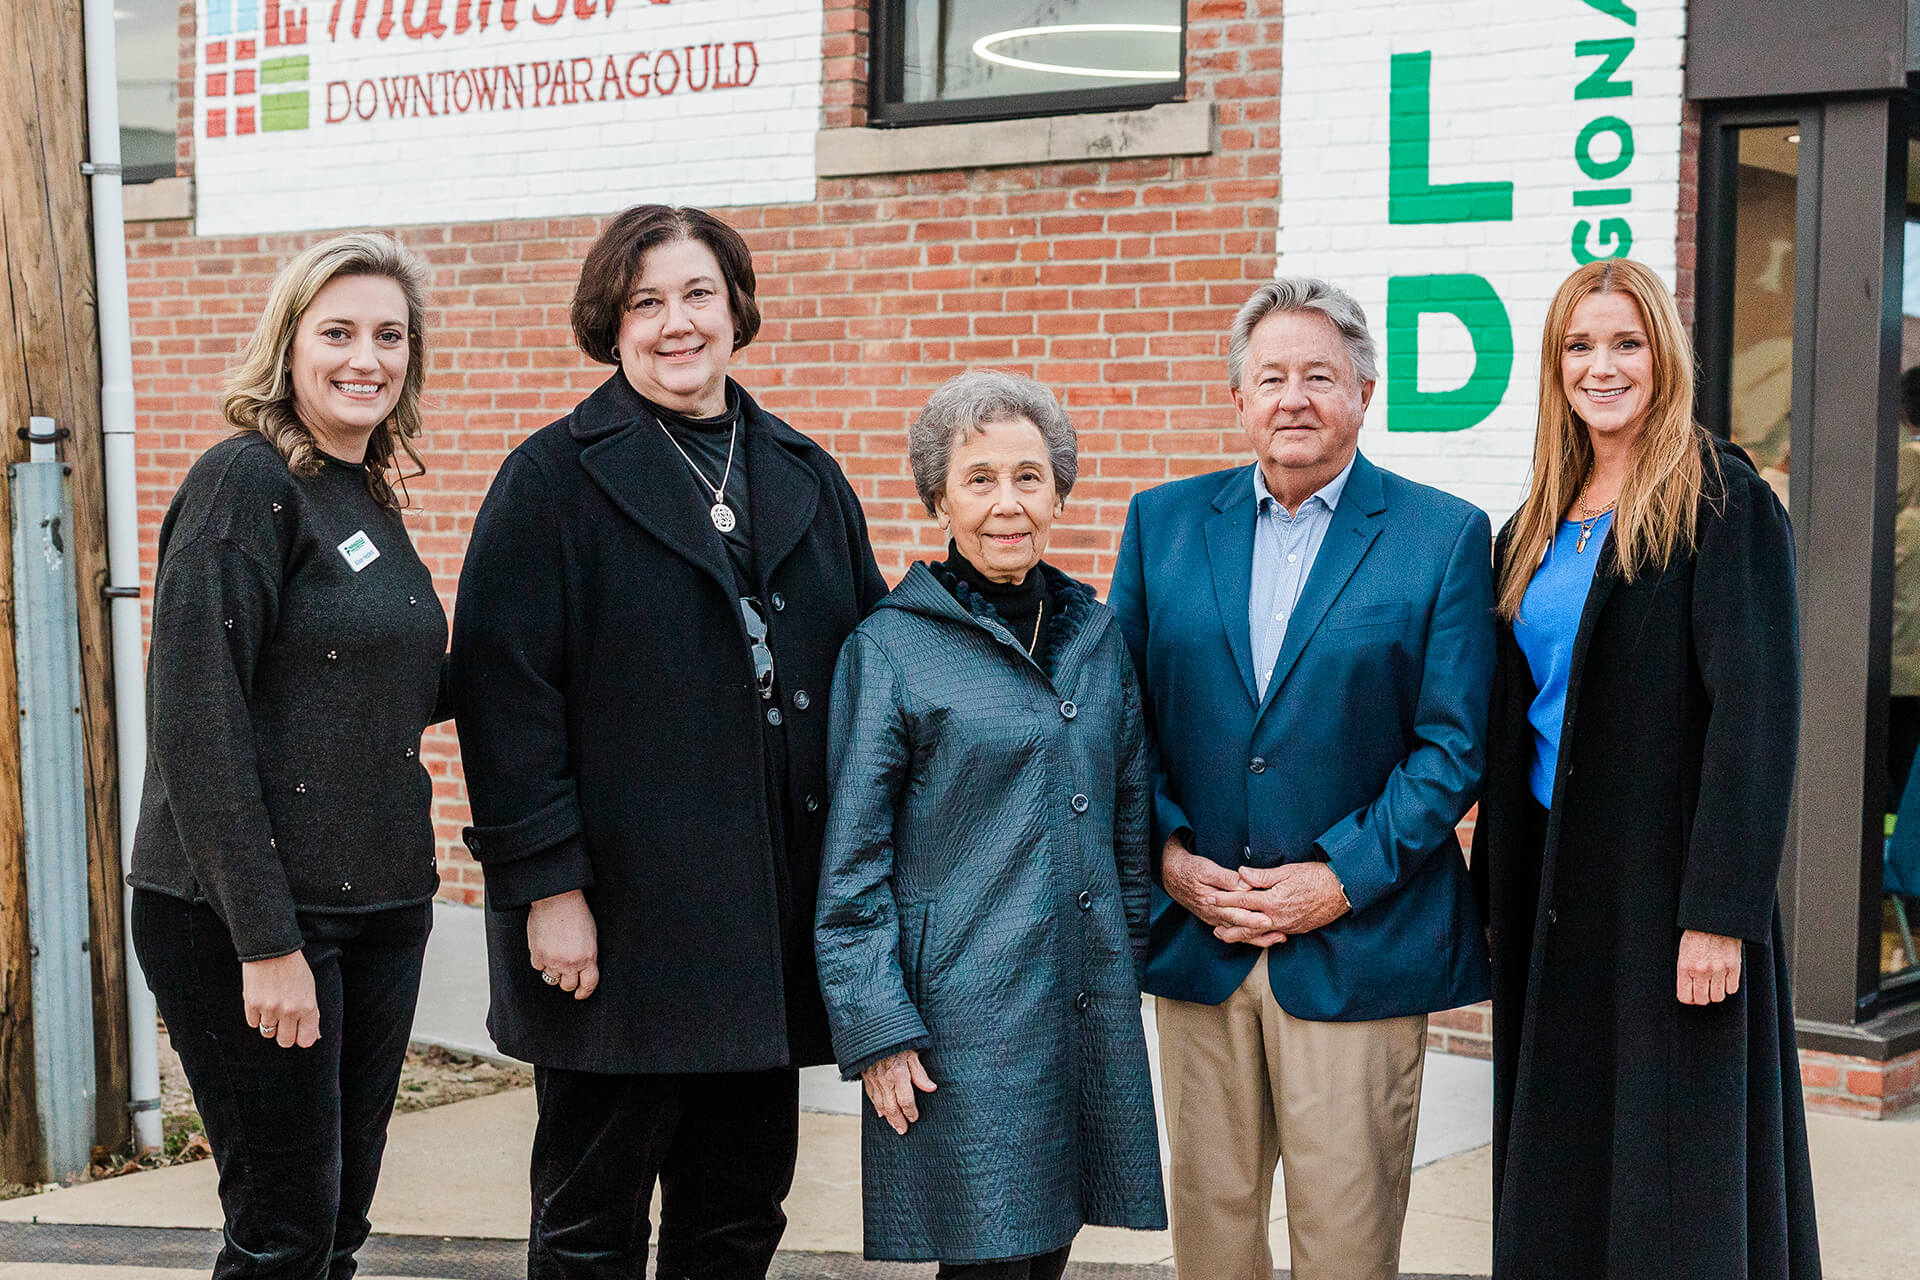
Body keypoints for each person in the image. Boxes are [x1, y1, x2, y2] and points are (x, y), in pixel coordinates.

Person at [451, 204, 888, 1280]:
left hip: (765, 929)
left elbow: (876, 661)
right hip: (619, 931)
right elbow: (506, 702)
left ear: (737, 306)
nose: (677, 322)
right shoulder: (550, 479)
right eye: (646, 302)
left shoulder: (803, 470)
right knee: (592, 1218)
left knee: (737, 1214)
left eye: (698, 293)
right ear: (612, 323)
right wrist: (549, 889)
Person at [1107, 277, 1494, 1280]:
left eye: (1320, 375)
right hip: (1203, 939)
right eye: (1270, 375)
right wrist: (1170, 854)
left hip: (1358, 947)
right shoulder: (1162, 524)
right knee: (1213, 1237)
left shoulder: (1442, 535)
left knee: (1346, 1244)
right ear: (1237, 399)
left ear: (1366, 391)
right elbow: (1119, 721)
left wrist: (1337, 878)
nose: (1293, 397)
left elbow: (1451, 746)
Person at [1472, 258, 1820, 1279]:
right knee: (1568, 1153)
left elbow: (1756, 717)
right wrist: (1494, 885)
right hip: (1553, 891)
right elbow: (1521, 724)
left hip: (1670, 895)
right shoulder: (1532, 521)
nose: (1603, 365)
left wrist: (1719, 909)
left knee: (1675, 1170)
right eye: (1580, 345)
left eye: (1626, 342)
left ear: (1663, 355)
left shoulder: (1722, 501)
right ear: (1555, 365)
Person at [128, 232, 445, 1278]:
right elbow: (196, 718)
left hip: (378, 908)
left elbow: (387, 688)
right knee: (283, 1229)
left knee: (335, 1226)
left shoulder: (363, 492)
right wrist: (268, 942)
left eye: (389, 334)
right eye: (339, 330)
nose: (368, 356)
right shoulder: (242, 484)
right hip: (244, 919)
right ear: (288, 344)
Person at [815, 370, 1166, 1278]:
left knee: (1045, 1250)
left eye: (1028, 477)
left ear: (1058, 493)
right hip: (960, 1028)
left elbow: (1131, 822)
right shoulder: (890, 647)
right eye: (978, 479)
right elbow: (851, 868)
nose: (1006, 503)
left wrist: (1128, 966)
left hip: (1083, 1005)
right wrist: (878, 1028)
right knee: (989, 1255)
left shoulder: (1096, 636)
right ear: (938, 497)